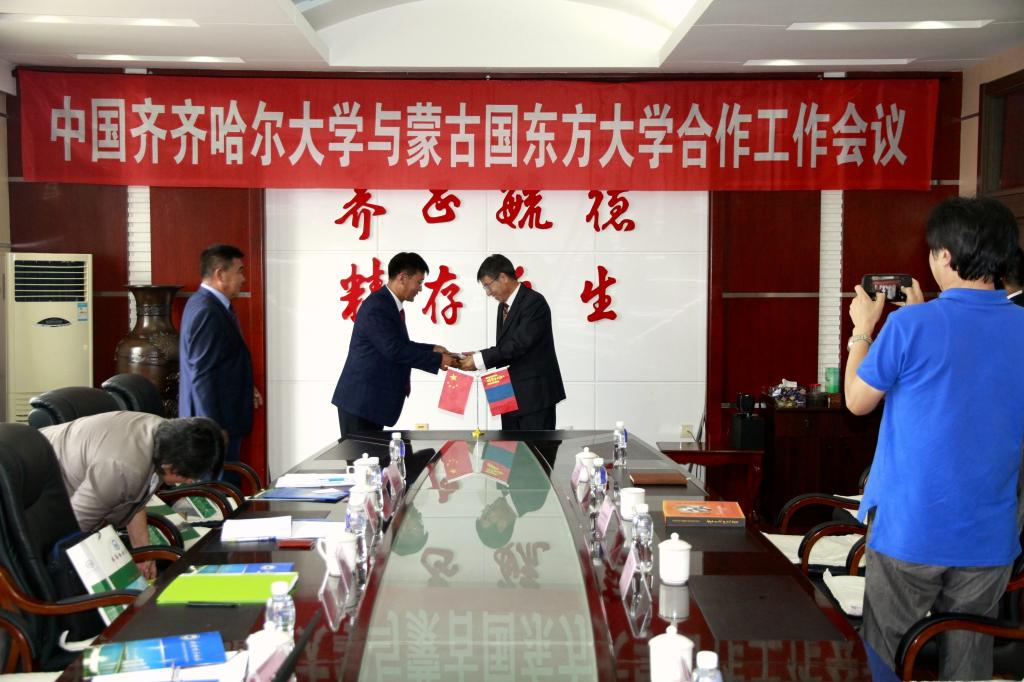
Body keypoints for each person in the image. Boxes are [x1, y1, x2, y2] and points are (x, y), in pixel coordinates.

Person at [844, 196, 1024, 680]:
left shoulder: (908, 326)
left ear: (945, 255)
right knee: (968, 668)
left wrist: (862, 331)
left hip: (911, 530)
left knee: (884, 659)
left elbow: (857, 400)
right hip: (988, 536)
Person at [41, 412, 224, 579]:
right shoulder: (122, 469)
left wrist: (143, 553)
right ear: (170, 466)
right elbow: (73, 528)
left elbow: (134, 500)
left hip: (57, 477)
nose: (190, 482)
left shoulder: (165, 437)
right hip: (35, 483)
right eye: (189, 476)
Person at [332, 252, 455, 438]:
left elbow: (399, 345)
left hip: (371, 402)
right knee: (362, 456)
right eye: (419, 282)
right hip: (360, 402)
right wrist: (438, 360)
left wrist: (432, 349)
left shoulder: (388, 304)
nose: (420, 289)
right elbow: (394, 350)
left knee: (373, 455)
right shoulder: (378, 306)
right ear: (402, 277)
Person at [179, 244, 261, 479]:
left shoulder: (208, 304)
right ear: (220, 274)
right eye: (240, 271)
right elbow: (201, 374)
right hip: (214, 426)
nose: (244, 279)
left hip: (221, 418)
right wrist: (213, 427)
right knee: (218, 490)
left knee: (225, 488)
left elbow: (222, 361)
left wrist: (247, 386)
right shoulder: (207, 311)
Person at [459, 254, 565, 430]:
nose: (488, 293)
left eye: (488, 285)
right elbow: (505, 347)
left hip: (534, 397)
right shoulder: (503, 306)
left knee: (535, 447)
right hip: (507, 395)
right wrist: (478, 355)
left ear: (503, 277)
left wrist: (480, 359)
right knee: (508, 446)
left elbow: (519, 344)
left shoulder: (534, 302)